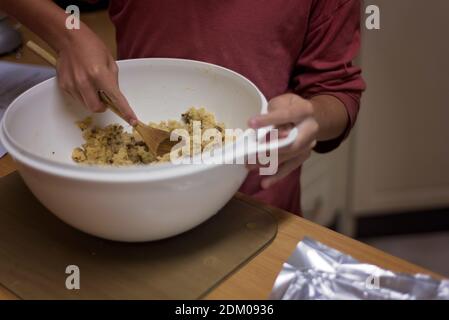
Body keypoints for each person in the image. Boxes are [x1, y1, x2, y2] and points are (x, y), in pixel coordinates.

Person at [0, 0, 365, 215]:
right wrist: (66, 32)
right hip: (128, 200)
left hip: (256, 200)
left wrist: (311, 119)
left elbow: (337, 92)